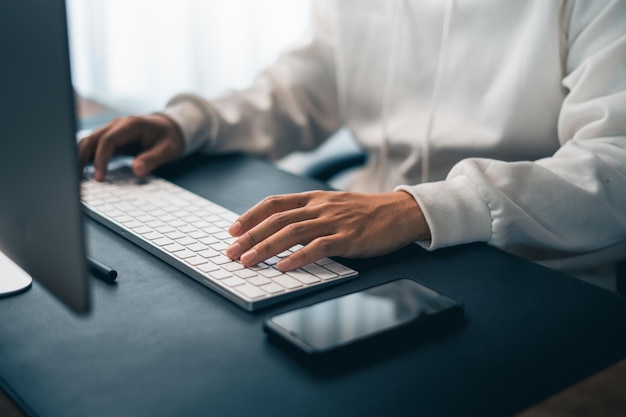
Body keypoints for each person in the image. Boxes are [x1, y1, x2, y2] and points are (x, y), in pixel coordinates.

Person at [78, 0, 626, 291]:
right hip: (363, 242)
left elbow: (614, 161)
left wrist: (421, 208)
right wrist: (190, 123)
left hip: (534, 272)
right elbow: (302, 88)